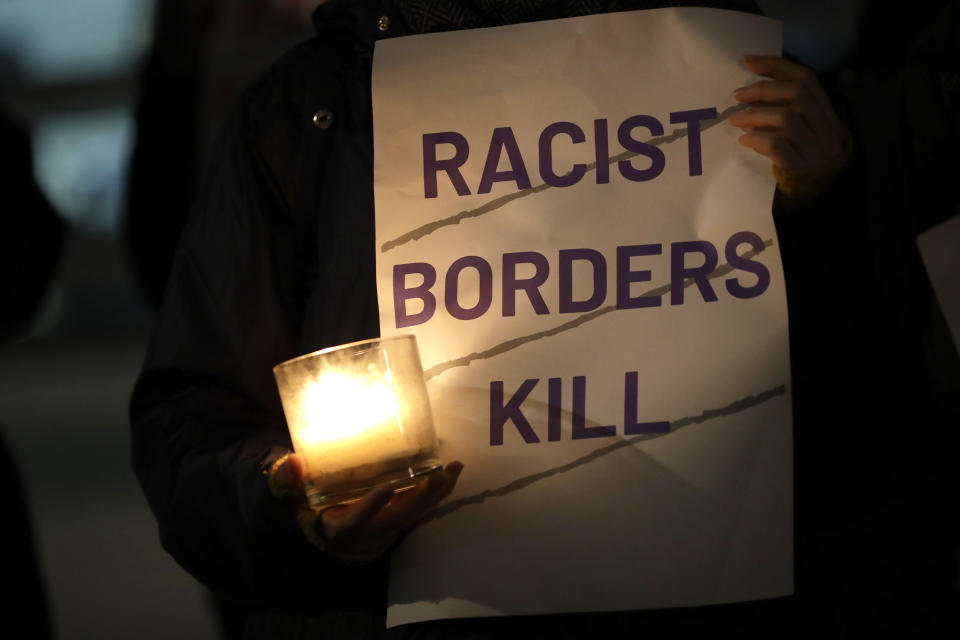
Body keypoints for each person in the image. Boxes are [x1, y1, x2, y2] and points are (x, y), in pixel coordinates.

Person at [130, 1, 959, 637]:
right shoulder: (304, 114)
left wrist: (825, 207)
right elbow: (192, 416)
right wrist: (294, 509)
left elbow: (881, 424)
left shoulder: (747, 85)